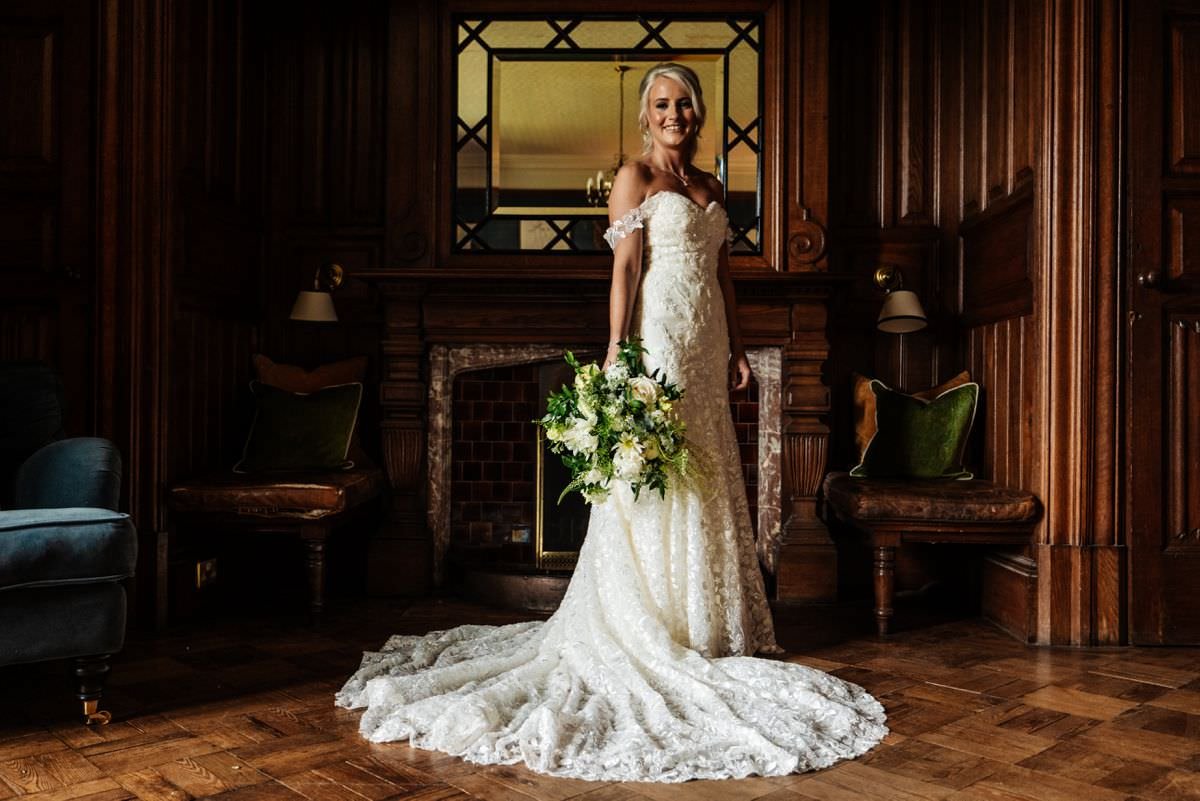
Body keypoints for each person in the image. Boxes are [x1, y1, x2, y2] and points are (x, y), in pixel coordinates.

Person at [336, 62, 886, 783]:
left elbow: (723, 276)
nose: (675, 115)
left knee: (709, 465)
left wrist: (740, 350)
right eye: (662, 104)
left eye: (684, 104)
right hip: (656, 340)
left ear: (697, 112)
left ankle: (707, 624)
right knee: (654, 478)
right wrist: (616, 349)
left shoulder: (711, 188)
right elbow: (625, 270)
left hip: (707, 345)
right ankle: (652, 622)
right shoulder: (634, 178)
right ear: (644, 114)